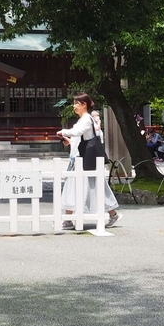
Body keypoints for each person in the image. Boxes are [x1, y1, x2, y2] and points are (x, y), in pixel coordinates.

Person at [57, 93, 120, 229]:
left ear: (84, 104)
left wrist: (63, 131)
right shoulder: (83, 120)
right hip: (81, 159)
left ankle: (68, 220)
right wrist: (69, 140)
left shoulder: (86, 119)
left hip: (85, 160)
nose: (74, 106)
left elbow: (77, 132)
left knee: (77, 186)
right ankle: (112, 213)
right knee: (82, 186)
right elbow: (79, 137)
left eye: (76, 103)